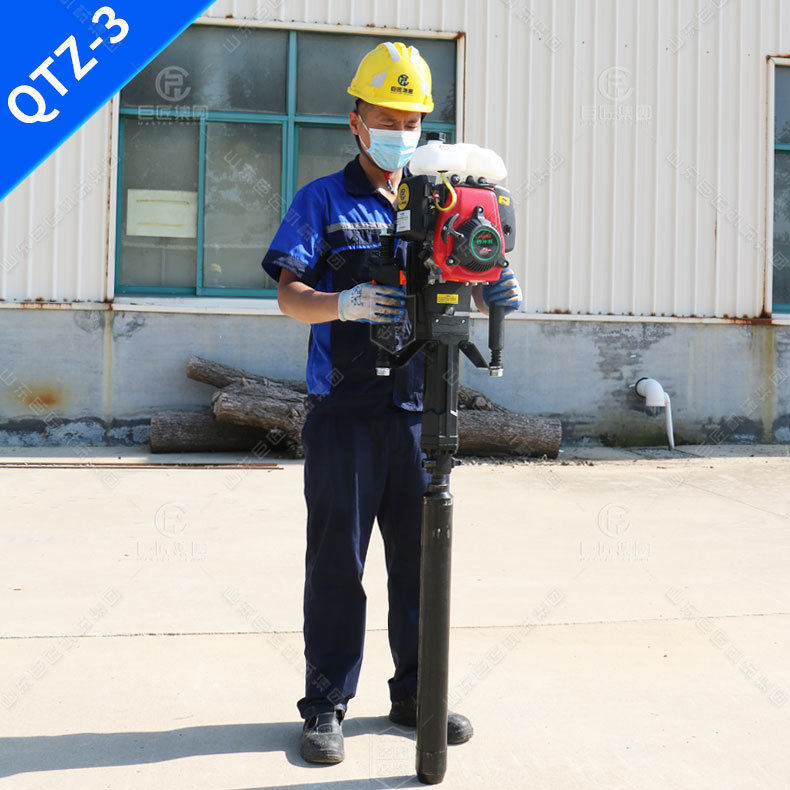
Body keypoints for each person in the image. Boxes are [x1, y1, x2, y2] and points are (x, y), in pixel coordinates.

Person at [261, 41, 522, 765]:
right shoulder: (322, 200)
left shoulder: (443, 202)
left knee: (420, 565)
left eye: (411, 121)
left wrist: (495, 286)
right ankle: (325, 706)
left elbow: (470, 273)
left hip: (422, 409)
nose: (400, 132)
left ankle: (417, 695)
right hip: (344, 413)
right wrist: (341, 302)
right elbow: (288, 295)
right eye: (386, 118)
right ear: (357, 120)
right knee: (336, 566)